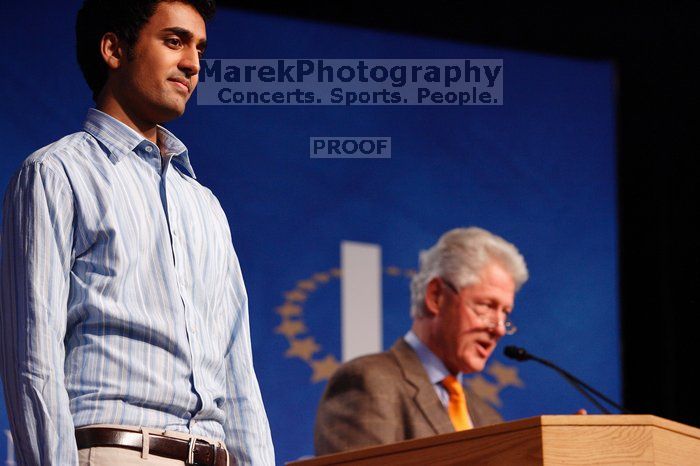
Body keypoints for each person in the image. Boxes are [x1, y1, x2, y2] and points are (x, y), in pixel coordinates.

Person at [0, 1, 275, 465]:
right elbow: (33, 362)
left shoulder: (204, 204)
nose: (193, 63)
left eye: (200, 48)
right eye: (174, 41)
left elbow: (238, 374)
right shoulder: (56, 174)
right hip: (116, 451)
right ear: (114, 49)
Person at [314, 227, 529, 455]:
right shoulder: (370, 382)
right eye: (486, 306)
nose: (498, 328)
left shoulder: (488, 418)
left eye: (505, 313)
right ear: (436, 296)